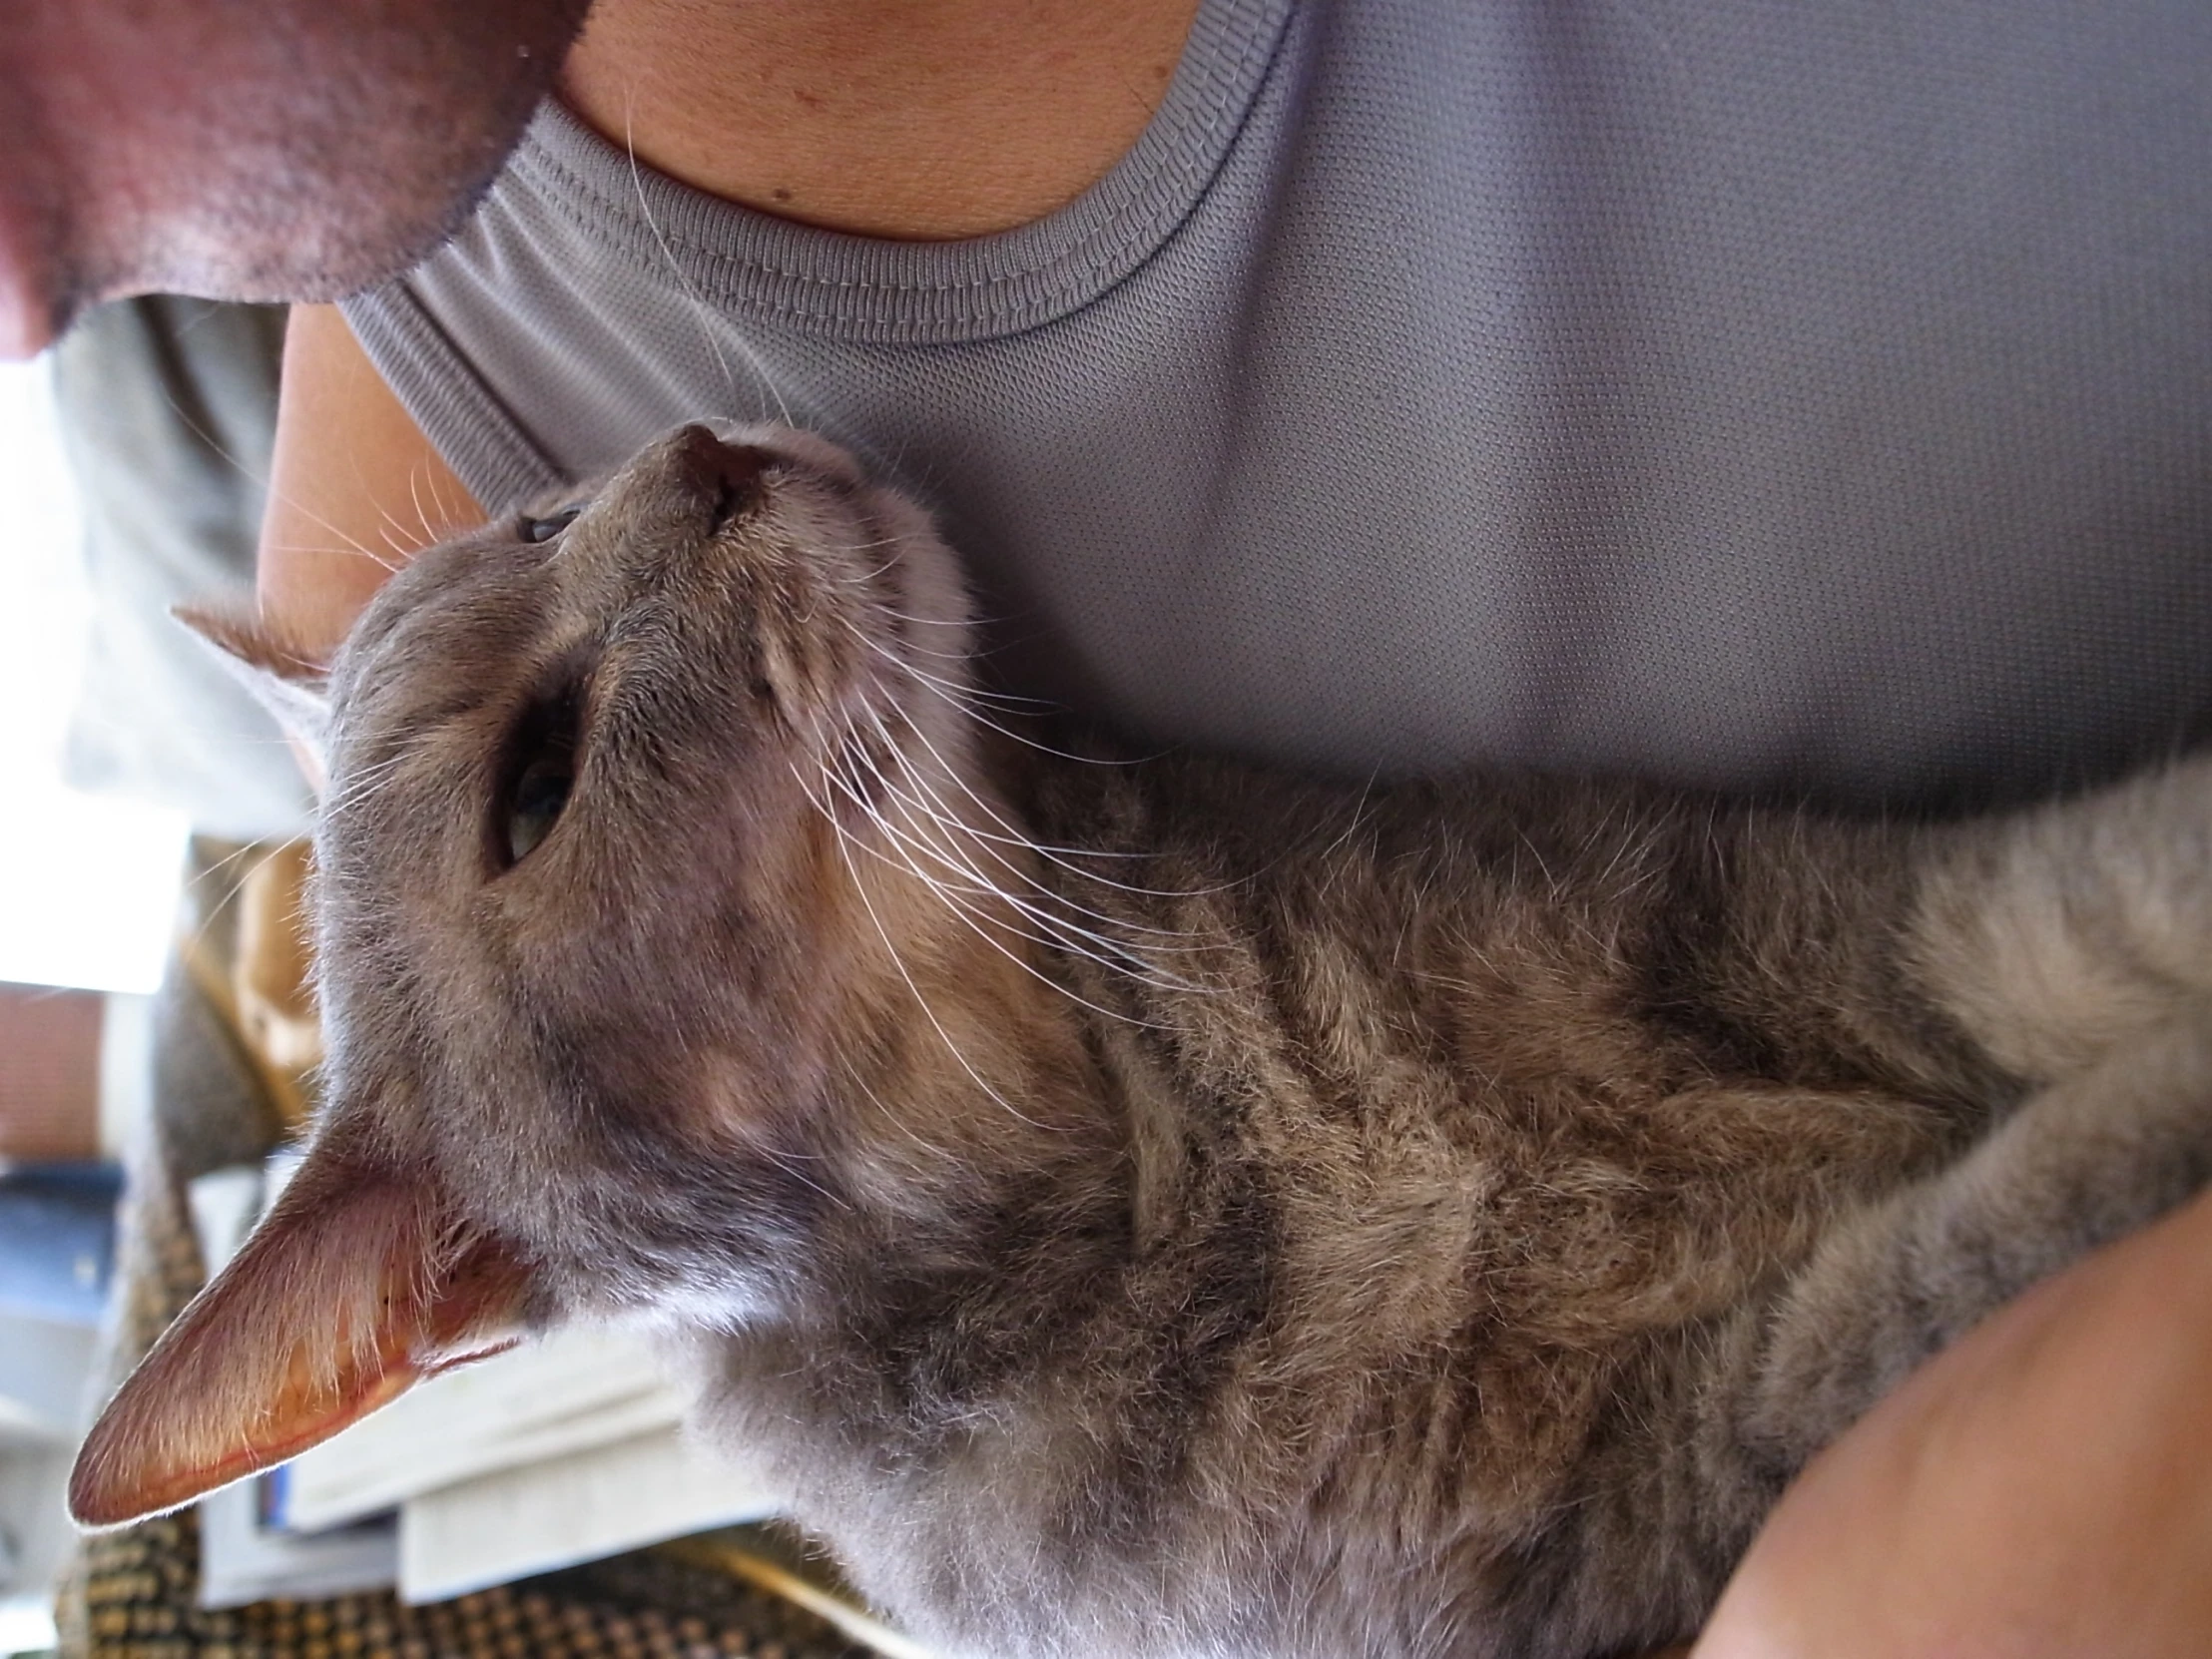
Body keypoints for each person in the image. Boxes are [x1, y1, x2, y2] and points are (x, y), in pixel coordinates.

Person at [7, 2, 2212, 1652]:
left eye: (551, 528)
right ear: (482, 1261)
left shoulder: (1102, 846)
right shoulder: (1078, 1496)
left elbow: (1887, 970)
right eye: (553, 774)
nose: (667, 483)